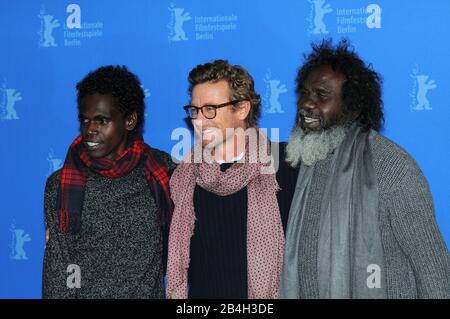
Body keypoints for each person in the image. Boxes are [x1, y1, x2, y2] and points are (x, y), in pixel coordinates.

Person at [280, 39, 450, 299]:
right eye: (304, 92)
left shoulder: (392, 166)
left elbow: (432, 268)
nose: (307, 103)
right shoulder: (298, 165)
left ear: (353, 106)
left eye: (321, 95)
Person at [166, 60, 298, 299]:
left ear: (242, 109)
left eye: (210, 109)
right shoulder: (183, 176)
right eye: (194, 110)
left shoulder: (287, 166)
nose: (199, 121)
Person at [42, 65, 175, 298]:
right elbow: (60, 270)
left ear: (130, 120)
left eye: (102, 120)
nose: (90, 129)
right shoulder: (63, 184)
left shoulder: (164, 172)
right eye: (84, 120)